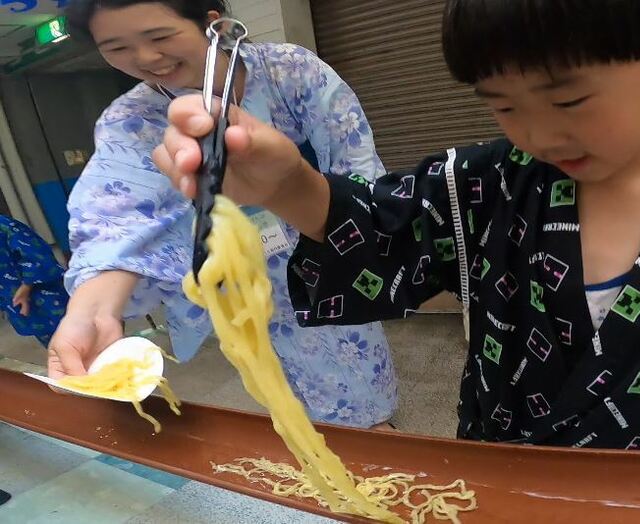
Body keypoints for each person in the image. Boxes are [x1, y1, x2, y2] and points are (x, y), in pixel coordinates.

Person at [156, 0, 640, 450]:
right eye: (503, 105)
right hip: (491, 473)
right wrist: (291, 184)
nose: (536, 132)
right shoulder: (490, 181)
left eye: (568, 98)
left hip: (633, 484)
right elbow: (387, 231)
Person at [53, 0, 397, 429]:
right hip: (237, 286)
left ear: (212, 24)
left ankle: (377, 441)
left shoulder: (287, 71)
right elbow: (116, 216)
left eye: (159, 37)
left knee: (362, 391)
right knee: (282, 395)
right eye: (116, 47)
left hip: (325, 261)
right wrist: (90, 313)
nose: (144, 59)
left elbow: (358, 167)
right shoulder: (129, 120)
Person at [0, 216, 68, 347]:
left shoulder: (5, 226)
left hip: (42, 292)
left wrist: (27, 286)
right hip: (13, 298)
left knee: (70, 330)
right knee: (53, 344)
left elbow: (35, 253)